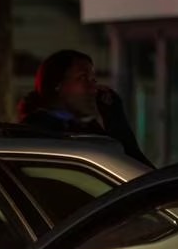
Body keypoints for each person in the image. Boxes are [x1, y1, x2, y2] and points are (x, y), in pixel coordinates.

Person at [18, 49, 153, 167]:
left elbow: (135, 167)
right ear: (58, 85)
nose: (93, 89)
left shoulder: (86, 129)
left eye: (94, 80)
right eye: (83, 78)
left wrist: (114, 117)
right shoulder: (39, 135)